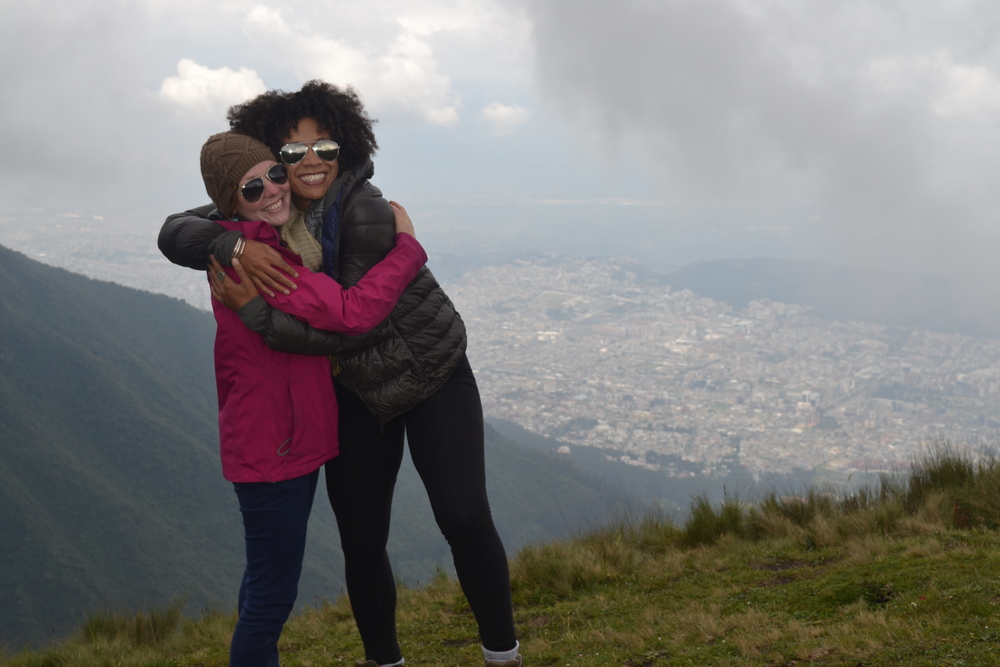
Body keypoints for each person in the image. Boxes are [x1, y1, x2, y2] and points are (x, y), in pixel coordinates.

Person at [159, 81, 522, 667]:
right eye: (291, 152)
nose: (307, 164)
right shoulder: (269, 205)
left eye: (324, 149)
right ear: (267, 163)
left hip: (426, 370)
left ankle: (503, 654)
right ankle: (385, 661)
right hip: (351, 387)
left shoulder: (367, 212)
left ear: (345, 148)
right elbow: (175, 229)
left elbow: (354, 320)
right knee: (360, 536)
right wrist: (230, 245)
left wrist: (254, 308)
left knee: (462, 515)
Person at [197, 130, 428, 667]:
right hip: (273, 447)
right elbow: (351, 312)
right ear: (230, 203)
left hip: (282, 439)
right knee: (271, 598)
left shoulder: (259, 243)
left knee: (262, 584)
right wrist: (408, 248)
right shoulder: (261, 262)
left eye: (276, 173)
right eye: (253, 189)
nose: (274, 190)